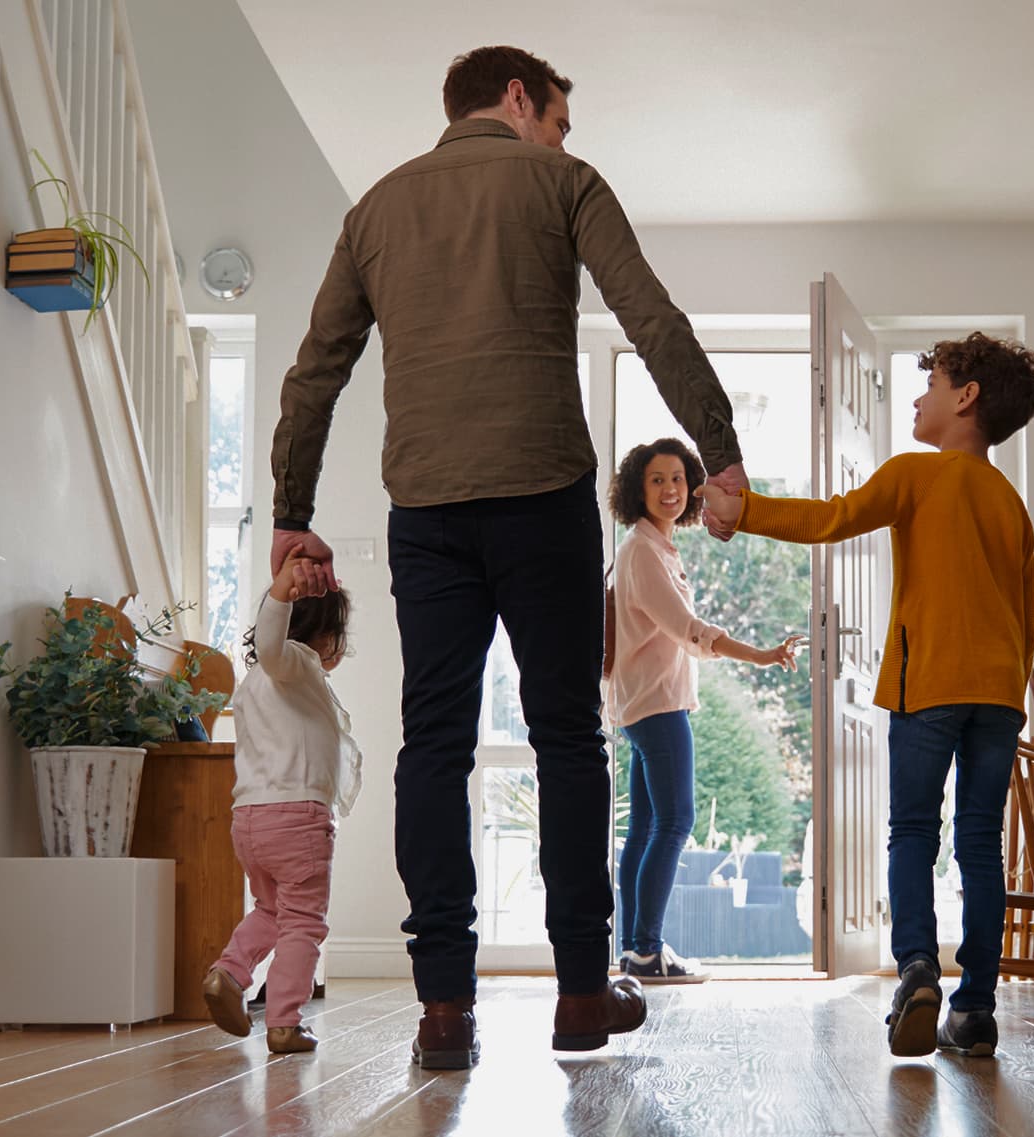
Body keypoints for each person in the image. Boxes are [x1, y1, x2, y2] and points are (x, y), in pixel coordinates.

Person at [268, 45, 749, 1070]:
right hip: (542, 500)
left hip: (428, 509)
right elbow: (649, 318)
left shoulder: (376, 210)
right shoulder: (563, 182)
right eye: (560, 119)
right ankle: (582, 992)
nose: (565, 140)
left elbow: (316, 373)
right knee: (568, 737)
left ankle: (443, 1009)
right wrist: (721, 454)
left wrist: (289, 509)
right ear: (520, 98)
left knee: (432, 745)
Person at [698, 333, 1034, 1059]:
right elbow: (1028, 614)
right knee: (981, 844)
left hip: (929, 684)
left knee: (914, 831)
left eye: (932, 385)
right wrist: (1013, 693)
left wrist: (744, 509)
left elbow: (829, 518)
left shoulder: (916, 475)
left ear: (966, 397)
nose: (918, 399)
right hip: (999, 693)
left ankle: (918, 966)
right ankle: (977, 1009)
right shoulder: (1013, 503)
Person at [605, 438, 803, 984]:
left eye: (676, 479)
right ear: (635, 491)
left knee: (647, 827)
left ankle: (636, 952)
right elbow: (691, 631)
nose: (669, 490)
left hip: (645, 701)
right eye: (656, 480)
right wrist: (761, 655)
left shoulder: (652, 547)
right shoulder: (643, 552)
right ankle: (644, 949)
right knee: (674, 821)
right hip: (656, 705)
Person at [200, 555, 358, 1054]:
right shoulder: (293, 664)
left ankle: (227, 974)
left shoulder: (254, 685)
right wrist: (282, 593)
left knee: (271, 909)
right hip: (298, 819)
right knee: (304, 920)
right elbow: (272, 644)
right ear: (325, 634)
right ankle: (285, 1021)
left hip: (249, 821)